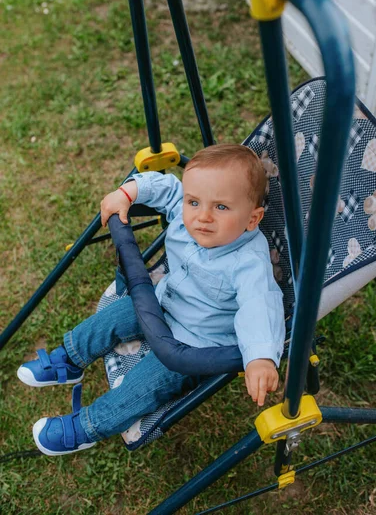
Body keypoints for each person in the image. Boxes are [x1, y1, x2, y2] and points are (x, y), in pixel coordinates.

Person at [17, 144, 285, 456]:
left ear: (253, 219)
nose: (203, 217)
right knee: (114, 317)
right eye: (194, 202)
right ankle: (69, 359)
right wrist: (128, 193)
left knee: (142, 384)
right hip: (162, 303)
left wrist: (261, 357)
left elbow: (260, 307)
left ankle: (87, 427)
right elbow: (166, 187)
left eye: (221, 208)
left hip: (193, 345)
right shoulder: (187, 213)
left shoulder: (250, 262)